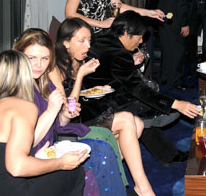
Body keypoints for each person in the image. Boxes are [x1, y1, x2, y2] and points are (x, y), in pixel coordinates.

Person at [13, 29, 129, 196]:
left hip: (53, 142)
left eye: (45, 58)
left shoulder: (44, 83)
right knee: (101, 153)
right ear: (19, 56)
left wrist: (65, 116)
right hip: (35, 155)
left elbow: (56, 124)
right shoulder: (17, 90)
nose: (39, 65)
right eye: (31, 58)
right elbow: (28, 143)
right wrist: (52, 111)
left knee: (104, 146)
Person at [49, 18, 157, 196]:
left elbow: (95, 85)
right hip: (67, 124)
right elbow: (69, 108)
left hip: (84, 114)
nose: (87, 46)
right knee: (128, 120)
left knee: (137, 124)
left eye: (89, 40)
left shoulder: (79, 61)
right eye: (82, 40)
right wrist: (81, 76)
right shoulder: (55, 68)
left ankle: (107, 177)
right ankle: (142, 187)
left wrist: (97, 86)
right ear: (66, 42)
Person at [0, 50, 86, 196]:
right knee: (74, 173)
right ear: (26, 74)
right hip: (5, 190)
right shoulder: (24, 106)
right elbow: (17, 167)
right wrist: (62, 163)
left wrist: (35, 157)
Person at [80, 11, 200, 166]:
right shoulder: (119, 54)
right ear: (126, 33)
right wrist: (175, 104)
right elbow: (137, 88)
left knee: (148, 101)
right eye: (140, 36)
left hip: (91, 96)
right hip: (101, 106)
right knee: (152, 105)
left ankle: (168, 154)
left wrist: (129, 60)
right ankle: (164, 140)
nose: (142, 41)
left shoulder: (102, 39)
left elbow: (110, 66)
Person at [157, 0, 199, 89]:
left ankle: (164, 80)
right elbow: (183, 2)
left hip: (163, 15)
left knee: (167, 50)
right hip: (176, 18)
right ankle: (175, 83)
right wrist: (184, 24)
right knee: (177, 51)